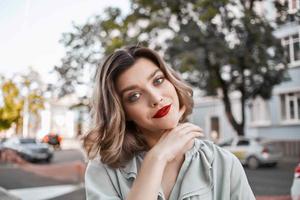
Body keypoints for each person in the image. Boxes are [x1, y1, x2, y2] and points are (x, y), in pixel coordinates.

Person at [84, 45, 255, 200]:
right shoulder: (103, 171)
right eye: (134, 96)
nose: (156, 98)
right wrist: (157, 158)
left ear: (172, 81)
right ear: (122, 111)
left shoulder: (224, 163)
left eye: (158, 80)